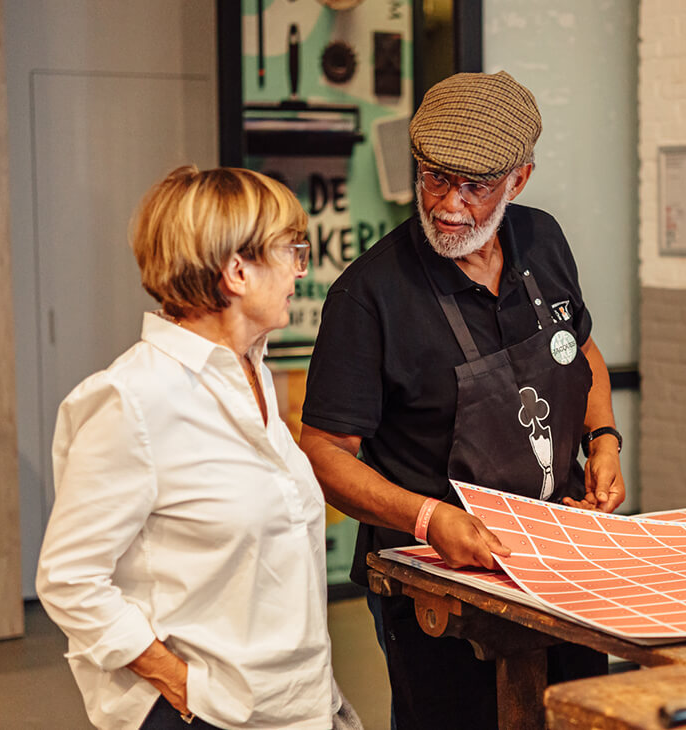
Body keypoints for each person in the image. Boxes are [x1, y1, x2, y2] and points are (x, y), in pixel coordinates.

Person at [299, 71, 625, 729]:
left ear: (519, 180)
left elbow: (580, 350)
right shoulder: (370, 296)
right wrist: (427, 520)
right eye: (435, 178)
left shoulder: (543, 240)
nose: (449, 205)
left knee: (577, 715)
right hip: (436, 577)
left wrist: (604, 439)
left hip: (555, 551)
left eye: (475, 187)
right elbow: (324, 453)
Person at [37, 166, 361, 730]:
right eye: (291, 252)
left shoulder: (251, 372)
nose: (300, 272)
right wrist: (182, 687)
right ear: (237, 270)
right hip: (210, 714)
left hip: (295, 706)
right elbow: (69, 578)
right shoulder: (132, 400)